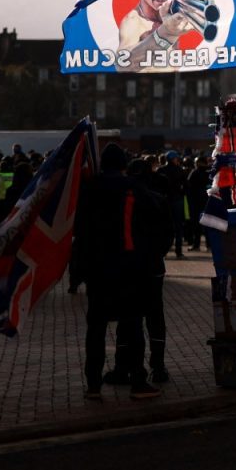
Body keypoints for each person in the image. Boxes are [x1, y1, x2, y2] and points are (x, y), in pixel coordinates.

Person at [72, 144, 167, 400]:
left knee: (96, 329)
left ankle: (93, 384)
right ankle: (138, 381)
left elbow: (79, 229)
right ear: (124, 164)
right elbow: (156, 217)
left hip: (97, 269)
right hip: (128, 267)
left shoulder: (89, 188)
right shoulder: (132, 189)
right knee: (132, 324)